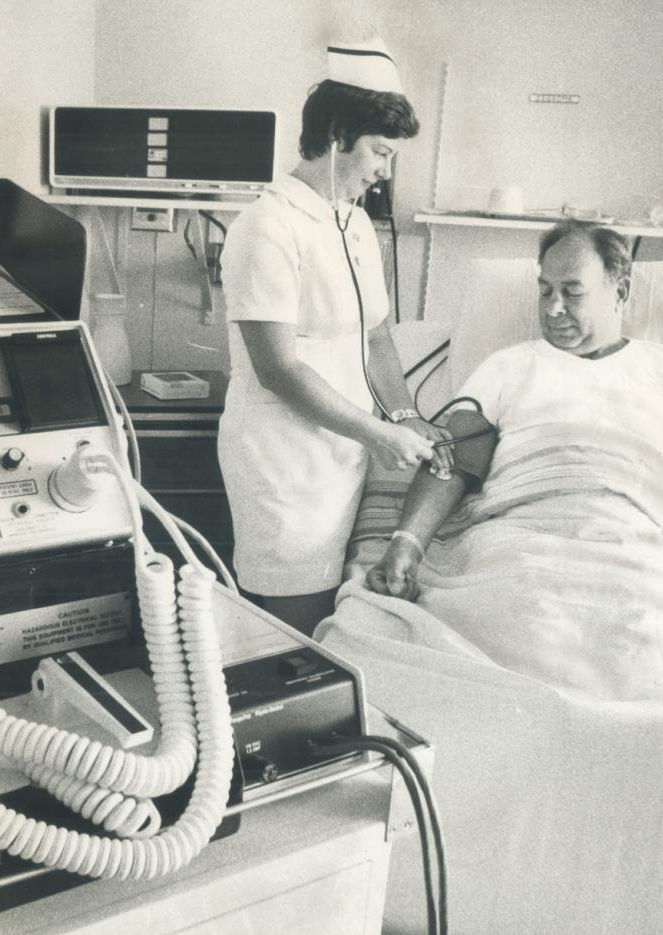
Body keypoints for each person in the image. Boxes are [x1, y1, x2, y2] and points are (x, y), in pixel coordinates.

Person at [366, 220, 663, 628]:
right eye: (545, 291)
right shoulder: (508, 367)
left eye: (572, 292)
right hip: (520, 541)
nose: (553, 308)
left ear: (621, 292)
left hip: (632, 544)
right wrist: (407, 543)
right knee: (512, 618)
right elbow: (452, 465)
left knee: (636, 630)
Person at [218, 40, 453, 637]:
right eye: (379, 151)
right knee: (296, 629)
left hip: (343, 448)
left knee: (331, 616)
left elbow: (375, 336)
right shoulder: (267, 228)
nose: (384, 170)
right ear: (335, 135)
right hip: (285, 462)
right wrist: (379, 434)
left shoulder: (351, 222)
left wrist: (403, 413)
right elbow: (278, 368)